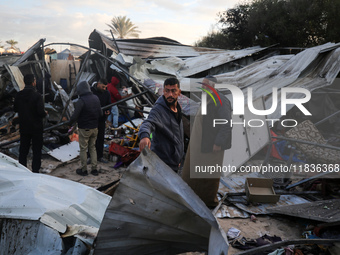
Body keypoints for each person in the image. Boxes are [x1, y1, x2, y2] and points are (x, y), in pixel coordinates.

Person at [181, 75, 232, 208]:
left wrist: (219, 142)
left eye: (205, 84)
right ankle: (190, 198)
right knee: (191, 172)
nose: (203, 87)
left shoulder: (221, 100)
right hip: (199, 144)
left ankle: (206, 202)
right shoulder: (207, 98)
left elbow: (226, 123)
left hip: (211, 146)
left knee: (207, 176)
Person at [138, 77, 184, 173]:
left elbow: (178, 137)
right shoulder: (158, 110)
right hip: (162, 164)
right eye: (167, 91)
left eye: (173, 91)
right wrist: (144, 136)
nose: (170, 94)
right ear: (163, 91)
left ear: (179, 92)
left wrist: (178, 158)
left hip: (174, 163)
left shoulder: (178, 109)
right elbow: (148, 122)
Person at [13, 74, 47, 173]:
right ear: (33, 82)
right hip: (36, 128)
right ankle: (35, 171)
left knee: (23, 150)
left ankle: (22, 171)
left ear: (25, 82)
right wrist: (45, 113)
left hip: (24, 127)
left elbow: (15, 109)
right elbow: (40, 112)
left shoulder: (19, 95)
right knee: (37, 150)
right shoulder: (37, 96)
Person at [69, 81, 102, 176]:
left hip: (84, 128)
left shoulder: (81, 101)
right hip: (95, 128)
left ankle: (84, 170)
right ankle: (94, 169)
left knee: (83, 149)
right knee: (93, 148)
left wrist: (69, 123)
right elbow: (100, 114)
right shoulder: (96, 98)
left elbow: (75, 116)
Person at [90, 78, 111, 163]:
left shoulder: (106, 93)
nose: (104, 89)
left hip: (101, 119)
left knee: (100, 138)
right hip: (92, 119)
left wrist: (108, 110)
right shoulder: (91, 91)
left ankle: (100, 156)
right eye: (103, 87)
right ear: (98, 84)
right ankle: (89, 157)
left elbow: (109, 104)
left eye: (105, 87)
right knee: (91, 139)